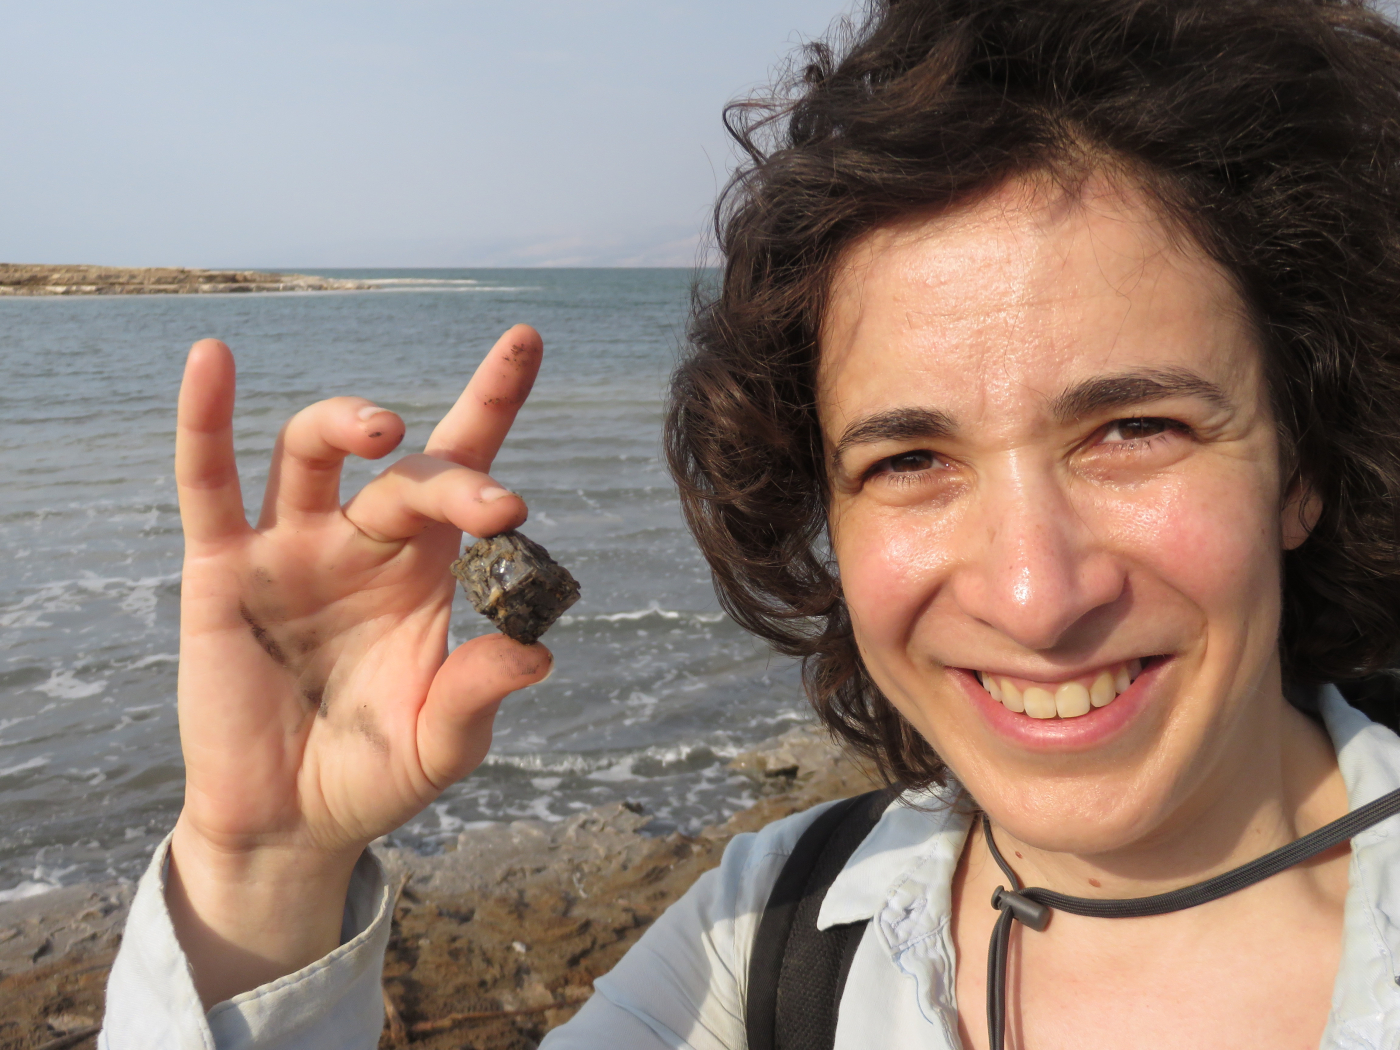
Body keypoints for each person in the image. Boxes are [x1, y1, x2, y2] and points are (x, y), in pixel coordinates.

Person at [100, 0, 1400, 1046]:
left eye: (1134, 429)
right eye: (909, 457)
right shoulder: (768, 939)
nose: (1035, 594)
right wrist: (267, 864)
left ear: (1303, 461)